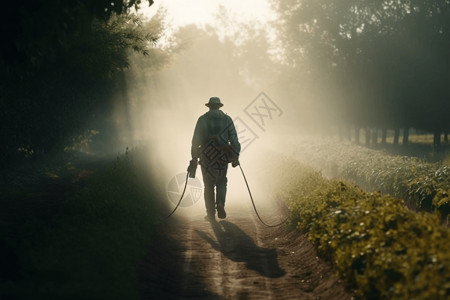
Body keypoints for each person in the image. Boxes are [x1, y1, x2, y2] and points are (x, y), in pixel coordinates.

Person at [191, 97, 241, 221]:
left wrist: (194, 157)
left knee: (208, 184)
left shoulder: (202, 119)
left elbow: (195, 141)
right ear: (219, 106)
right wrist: (236, 155)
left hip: (207, 156)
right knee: (221, 181)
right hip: (222, 157)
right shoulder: (227, 119)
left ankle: (210, 213)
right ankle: (220, 203)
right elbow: (234, 140)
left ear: (209, 106)